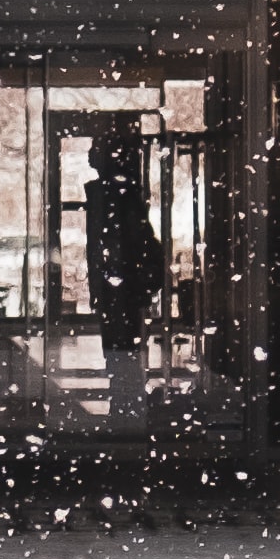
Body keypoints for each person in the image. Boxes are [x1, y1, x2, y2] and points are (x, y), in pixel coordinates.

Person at [81, 129, 167, 392]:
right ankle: (124, 390)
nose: (90, 157)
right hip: (119, 278)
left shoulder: (117, 194)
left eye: (96, 151)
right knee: (121, 341)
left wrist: (105, 278)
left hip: (121, 279)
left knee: (121, 340)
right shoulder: (118, 193)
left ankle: (124, 391)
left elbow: (117, 240)